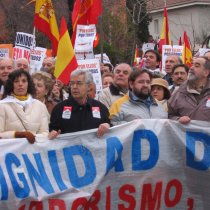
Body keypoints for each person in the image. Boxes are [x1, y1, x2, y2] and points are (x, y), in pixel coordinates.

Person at [49, 69, 110, 139]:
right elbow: (52, 131)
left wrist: (107, 125)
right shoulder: (59, 109)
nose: (74, 87)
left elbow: (112, 129)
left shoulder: (101, 108)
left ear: (89, 86)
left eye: (79, 83)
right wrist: (52, 134)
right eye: (72, 83)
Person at [0, 70, 49, 143]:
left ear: (28, 84)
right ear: (11, 84)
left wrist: (32, 137)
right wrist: (17, 135)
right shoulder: (2, 105)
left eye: (24, 81)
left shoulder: (40, 106)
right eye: (16, 81)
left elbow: (45, 133)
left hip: (32, 152)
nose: (20, 84)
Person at [168, 56, 210, 123]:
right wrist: (178, 119)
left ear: (206, 72)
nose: (191, 68)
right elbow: (169, 115)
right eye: (192, 65)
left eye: (196, 66)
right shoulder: (179, 92)